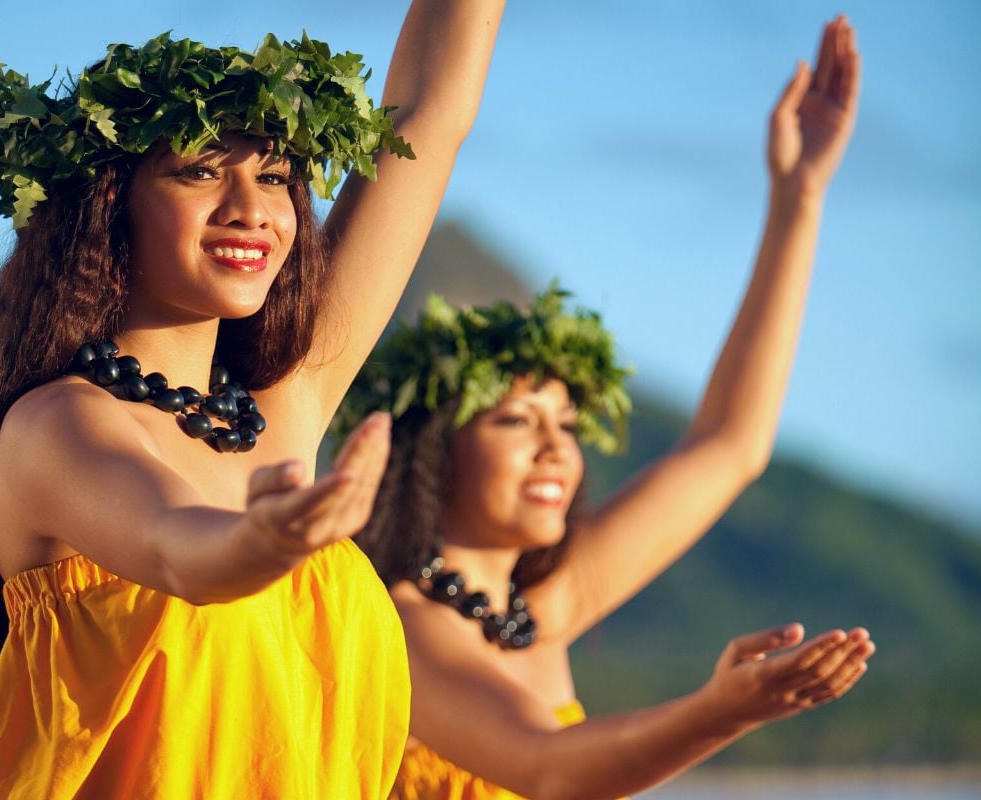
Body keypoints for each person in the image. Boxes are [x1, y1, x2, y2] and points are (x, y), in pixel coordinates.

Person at [0, 3, 505, 797]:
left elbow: (429, 113)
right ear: (109, 203)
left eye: (276, 177)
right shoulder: (59, 429)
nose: (252, 208)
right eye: (201, 170)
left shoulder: (286, 410)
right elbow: (179, 547)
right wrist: (265, 540)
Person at [338, 17, 873, 800]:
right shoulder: (401, 626)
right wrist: (718, 713)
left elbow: (731, 444)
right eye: (517, 422)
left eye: (567, 426)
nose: (556, 450)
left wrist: (800, 197)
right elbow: (550, 769)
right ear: (436, 450)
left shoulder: (542, 608)